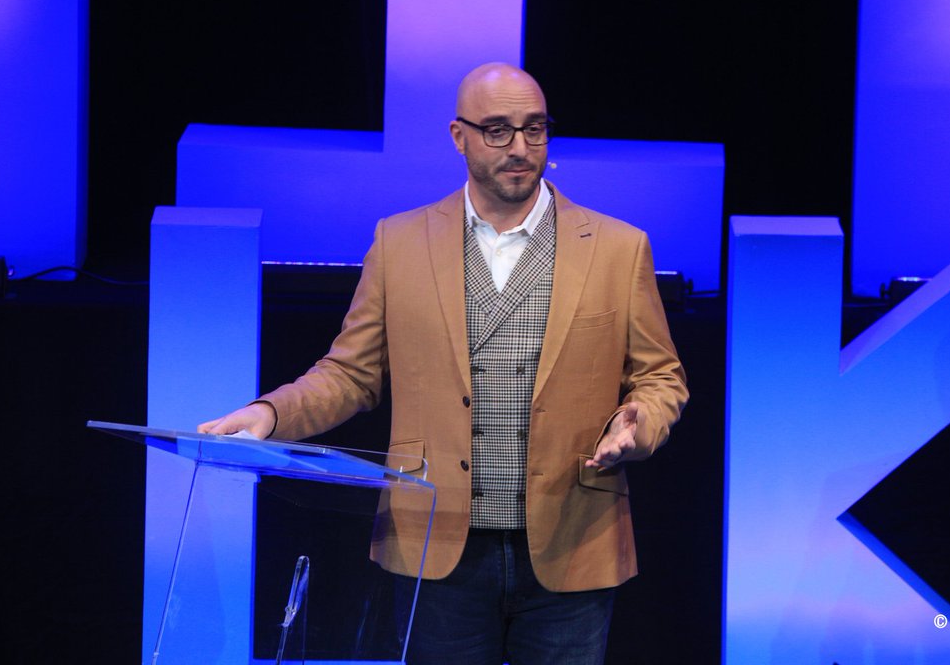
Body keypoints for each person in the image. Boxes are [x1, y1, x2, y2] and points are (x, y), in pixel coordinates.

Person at [198, 62, 688, 664]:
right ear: (459, 136)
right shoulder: (400, 242)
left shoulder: (617, 247)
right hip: (435, 545)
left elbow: (660, 376)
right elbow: (350, 372)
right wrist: (270, 415)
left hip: (573, 540)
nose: (520, 148)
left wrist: (640, 422)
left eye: (535, 129)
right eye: (499, 130)